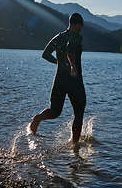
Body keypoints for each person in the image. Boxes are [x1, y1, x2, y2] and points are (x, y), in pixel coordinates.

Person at [30, 13, 86, 143]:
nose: (81, 27)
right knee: (79, 112)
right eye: (81, 25)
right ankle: (75, 147)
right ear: (78, 24)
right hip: (74, 79)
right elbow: (70, 48)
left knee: (55, 110)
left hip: (60, 78)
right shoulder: (76, 37)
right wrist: (72, 65)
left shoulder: (58, 37)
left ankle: (39, 118)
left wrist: (59, 63)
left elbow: (46, 54)